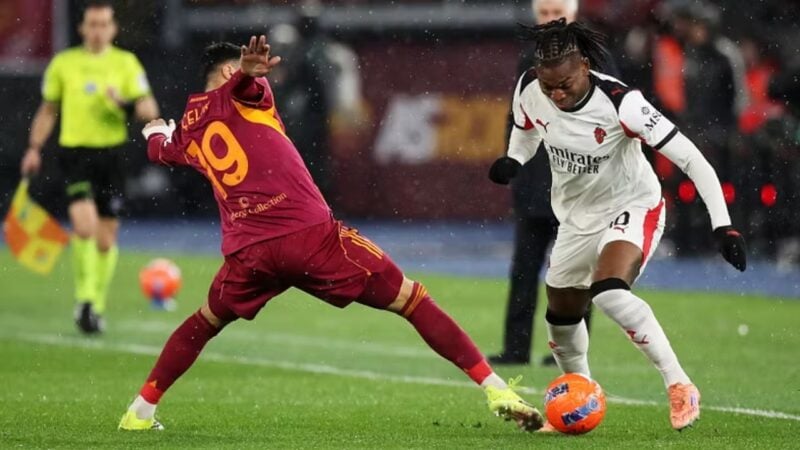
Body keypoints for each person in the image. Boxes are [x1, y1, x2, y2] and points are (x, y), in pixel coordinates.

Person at [118, 36, 543, 432]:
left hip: (249, 253)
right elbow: (245, 89)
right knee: (411, 299)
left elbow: (160, 150)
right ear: (230, 72)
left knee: (204, 322)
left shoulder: (191, 126)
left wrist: (156, 131)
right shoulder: (249, 93)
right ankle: (496, 390)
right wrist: (247, 75)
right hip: (308, 236)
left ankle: (140, 411)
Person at [488, 19, 746, 431]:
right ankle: (580, 395)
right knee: (561, 317)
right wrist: (514, 159)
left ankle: (679, 384)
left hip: (634, 204)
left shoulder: (623, 104)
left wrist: (723, 226)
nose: (556, 94)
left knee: (608, 291)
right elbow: (527, 130)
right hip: (576, 218)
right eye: (549, 86)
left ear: (585, 66)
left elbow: (692, 159)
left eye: (565, 85)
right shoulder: (530, 88)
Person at [19, 0, 159, 334]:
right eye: (92, 24)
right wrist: (34, 148)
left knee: (106, 240)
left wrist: (123, 103)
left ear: (113, 28)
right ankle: (85, 300)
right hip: (76, 155)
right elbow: (48, 110)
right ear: (82, 28)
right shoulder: (64, 63)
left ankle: (95, 304)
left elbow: (150, 110)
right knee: (84, 227)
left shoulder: (126, 63)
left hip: (113, 156)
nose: (98, 31)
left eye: (104, 24)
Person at [489, 0, 594, 367]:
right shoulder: (529, 61)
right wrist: (512, 164)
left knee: (574, 275)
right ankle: (515, 348)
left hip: (576, 185)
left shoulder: (593, 59)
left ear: (573, 15)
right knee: (524, 270)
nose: (550, 21)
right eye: (544, 14)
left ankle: (570, 351)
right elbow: (517, 121)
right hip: (535, 184)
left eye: (556, 13)